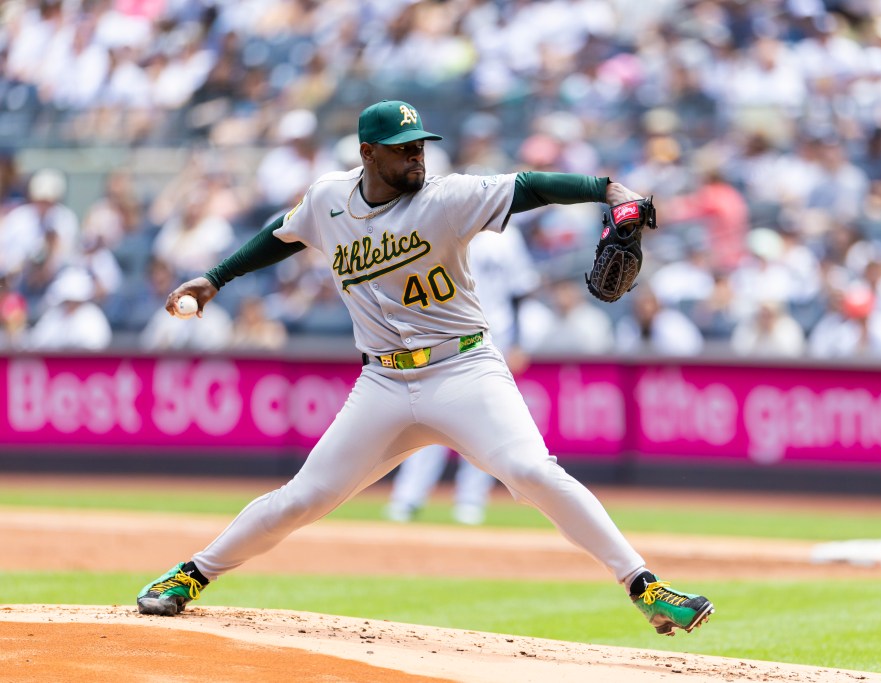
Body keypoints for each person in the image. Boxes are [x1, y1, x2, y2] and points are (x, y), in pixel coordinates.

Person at [135, 99, 714, 637]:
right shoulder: (327, 199)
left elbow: (529, 186)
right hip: (382, 383)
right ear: (368, 153)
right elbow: (281, 236)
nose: (417, 155)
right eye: (403, 147)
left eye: (420, 145)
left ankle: (646, 587)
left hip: (463, 369)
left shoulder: (446, 196)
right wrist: (214, 279)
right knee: (302, 498)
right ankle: (190, 575)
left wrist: (608, 190)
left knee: (534, 472)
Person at [386, 225, 538, 526]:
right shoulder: (444, 224)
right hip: (448, 334)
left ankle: (470, 499)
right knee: (429, 416)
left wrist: (519, 341)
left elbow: (519, 291)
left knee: (486, 423)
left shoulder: (507, 236)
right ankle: (409, 496)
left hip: (496, 336)